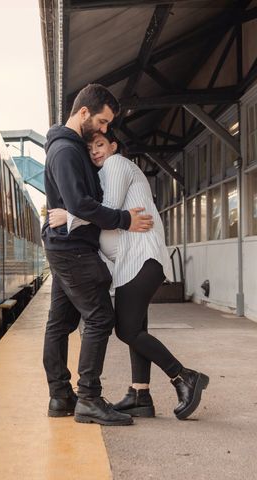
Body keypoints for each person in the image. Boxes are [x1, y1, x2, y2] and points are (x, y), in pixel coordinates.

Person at [48, 130, 209, 420]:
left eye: (100, 145)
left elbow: (106, 209)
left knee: (127, 330)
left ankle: (184, 377)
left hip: (140, 260)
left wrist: (68, 216)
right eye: (90, 148)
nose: (95, 151)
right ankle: (140, 395)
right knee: (136, 330)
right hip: (133, 263)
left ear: (113, 145)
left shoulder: (117, 164)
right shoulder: (104, 175)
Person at [43, 83, 154, 426]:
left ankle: (62, 397)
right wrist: (125, 220)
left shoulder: (72, 149)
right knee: (100, 318)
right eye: (103, 122)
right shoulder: (66, 151)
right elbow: (79, 203)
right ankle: (88, 398)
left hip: (66, 245)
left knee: (60, 323)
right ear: (84, 113)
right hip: (72, 248)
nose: (105, 129)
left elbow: (76, 204)